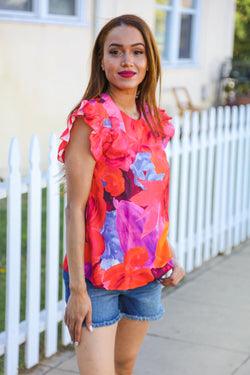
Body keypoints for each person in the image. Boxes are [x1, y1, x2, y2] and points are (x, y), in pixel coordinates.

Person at [58, 14, 185, 375]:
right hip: (96, 277)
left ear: (149, 62)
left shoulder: (153, 120)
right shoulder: (93, 119)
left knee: (125, 363)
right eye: (116, 52)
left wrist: (167, 251)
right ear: (102, 59)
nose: (127, 61)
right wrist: (78, 291)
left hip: (145, 271)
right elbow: (75, 208)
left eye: (137, 52)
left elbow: (150, 199)